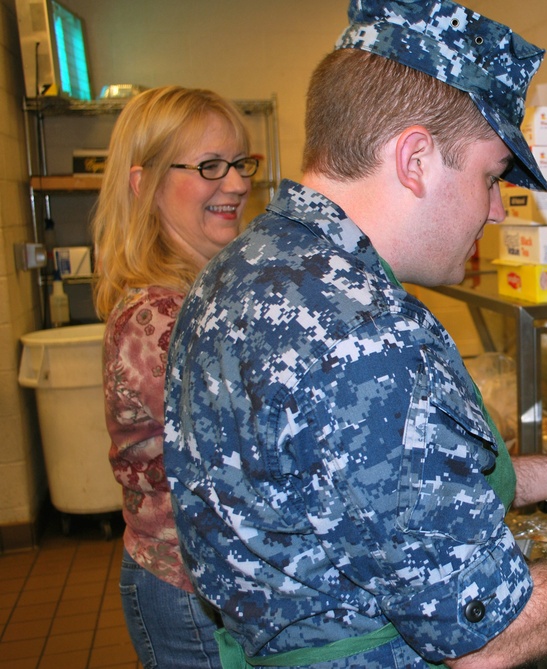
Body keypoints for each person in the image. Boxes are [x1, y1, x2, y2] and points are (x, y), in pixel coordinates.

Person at [163, 2, 547, 668]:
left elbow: (360, 494)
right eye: (491, 175)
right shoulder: (363, 333)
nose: (497, 207)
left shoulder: (246, 267)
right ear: (415, 158)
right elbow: (489, 633)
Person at [93, 85, 259, 669]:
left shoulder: (206, 293)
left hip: (217, 583)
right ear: (145, 184)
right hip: (189, 595)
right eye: (211, 166)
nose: (237, 184)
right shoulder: (155, 318)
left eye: (241, 163)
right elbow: (251, 448)